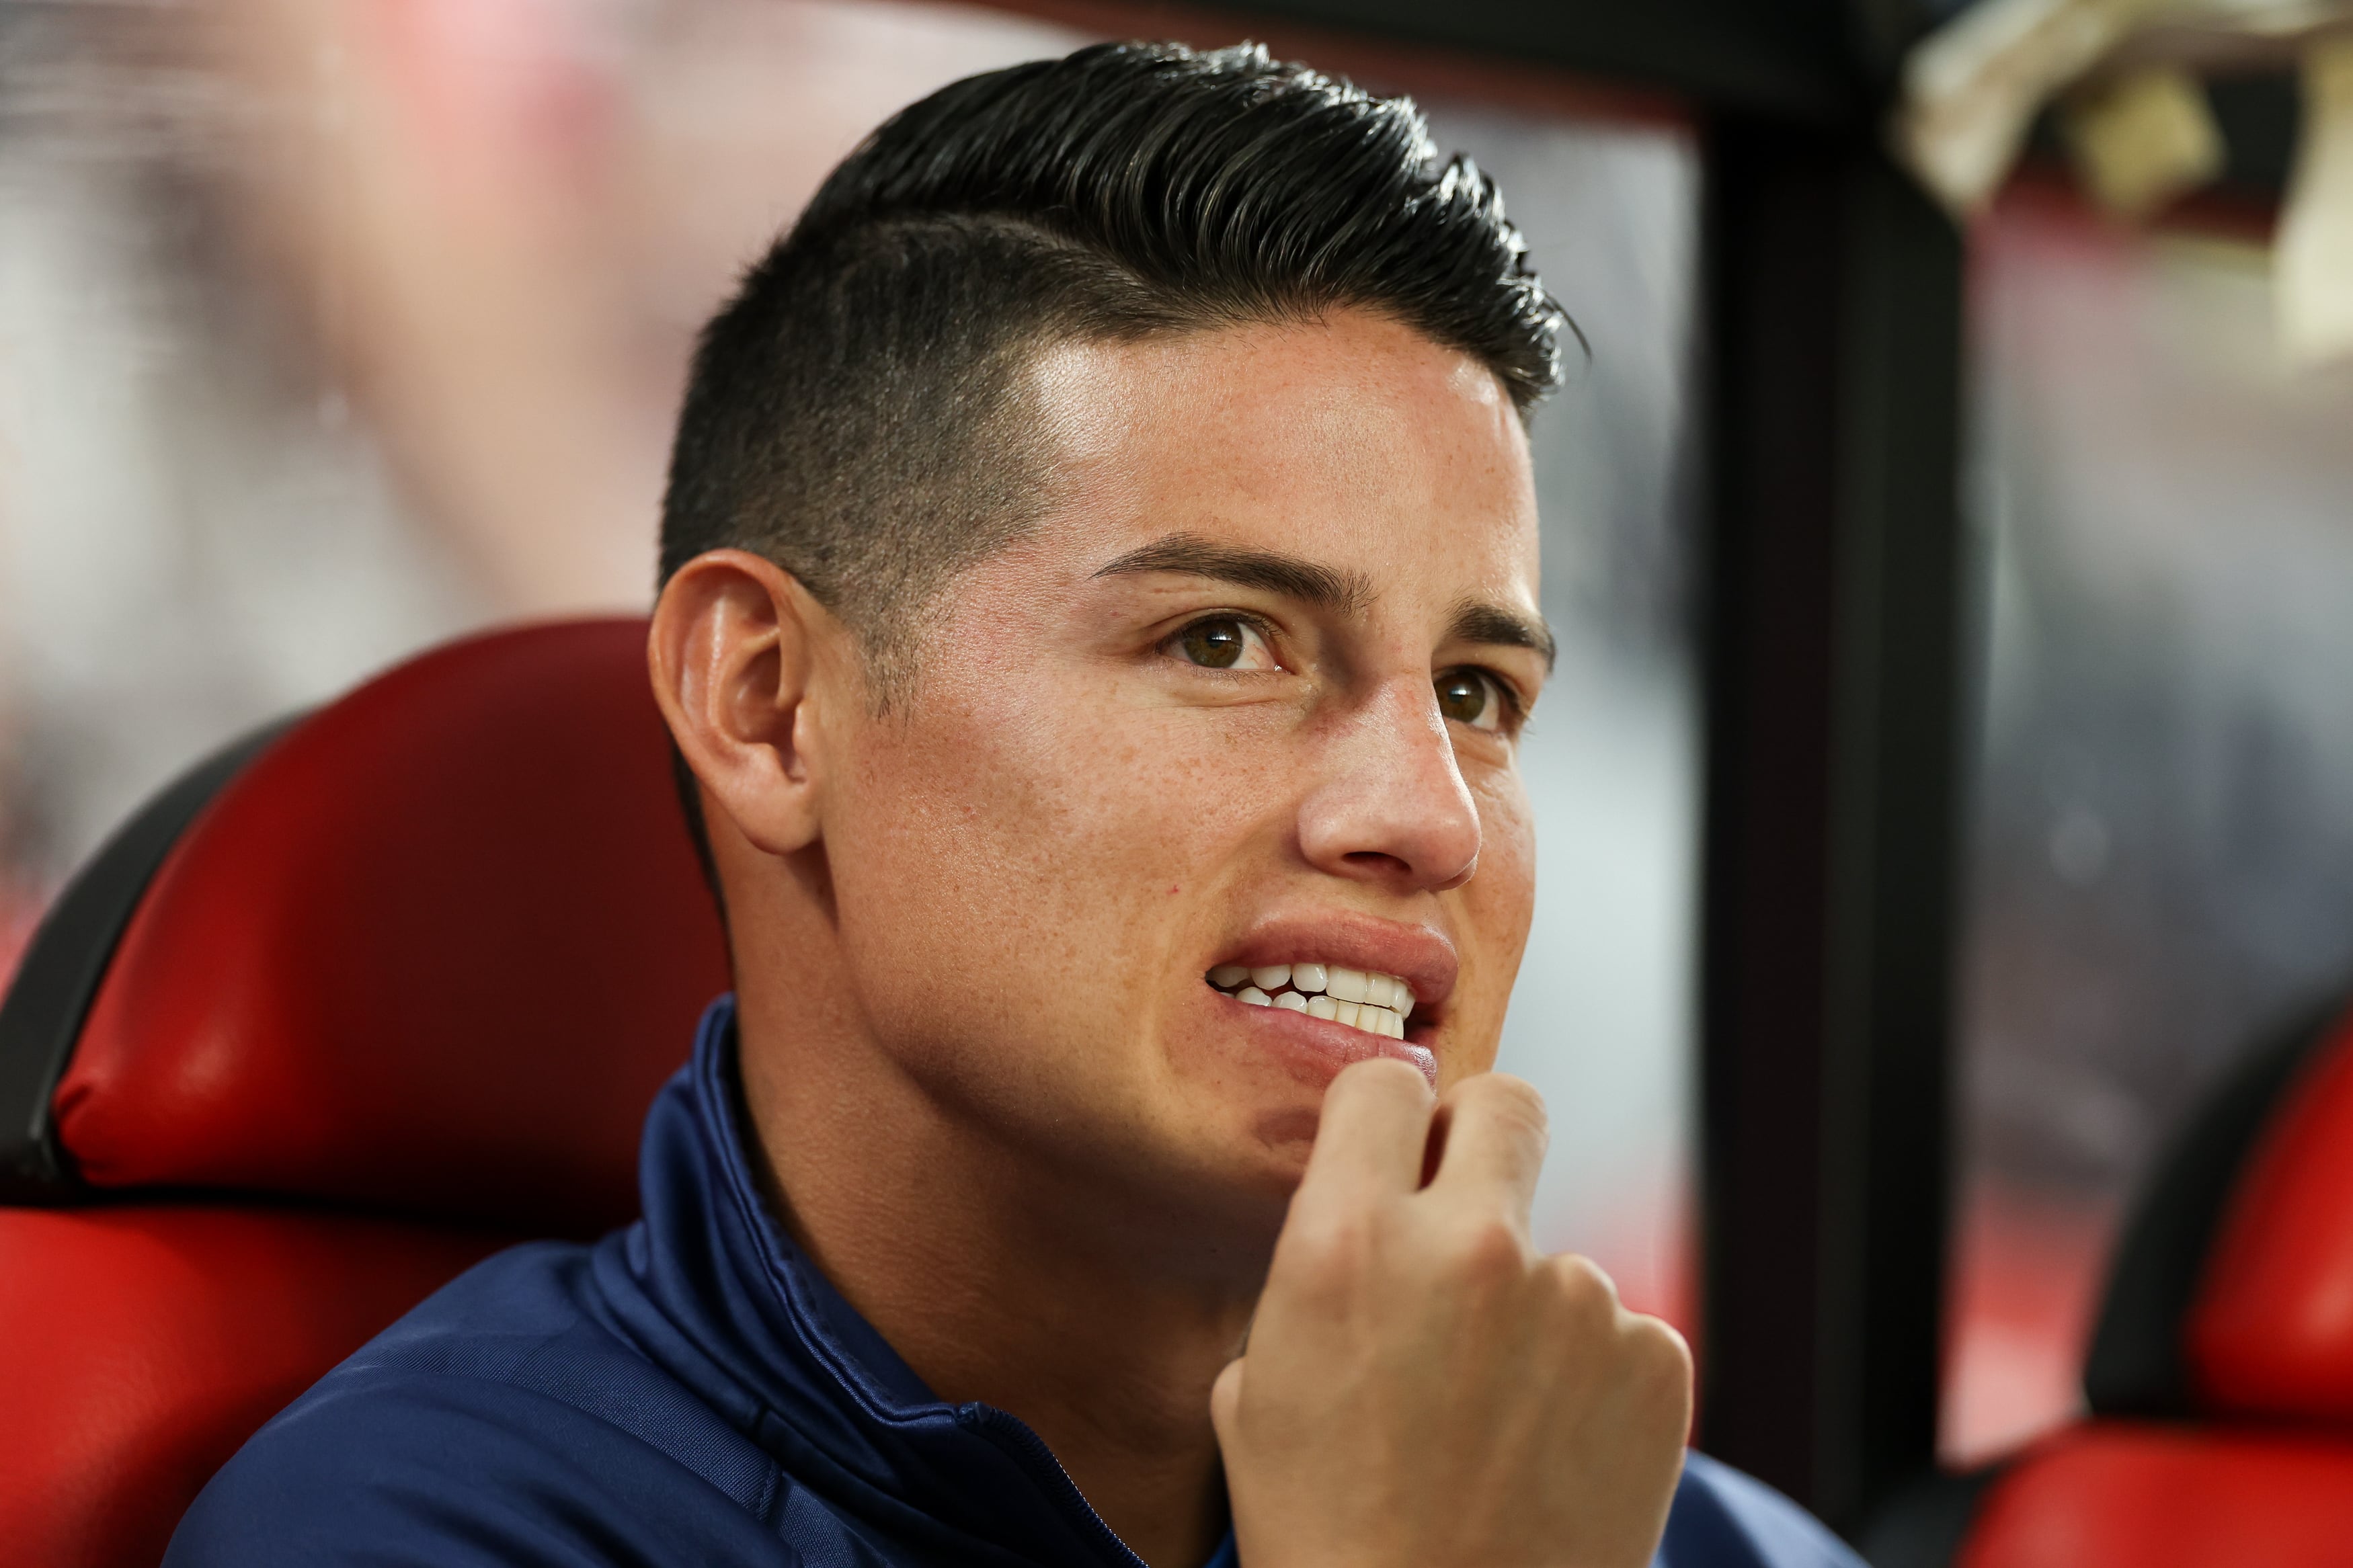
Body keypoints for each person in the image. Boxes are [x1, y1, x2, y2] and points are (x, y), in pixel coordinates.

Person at [167, 41, 1861, 1568]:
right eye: (1224, 641)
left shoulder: (1681, 1542)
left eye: (1479, 695)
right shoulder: (423, 1529)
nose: (1433, 820)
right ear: (766, 704)